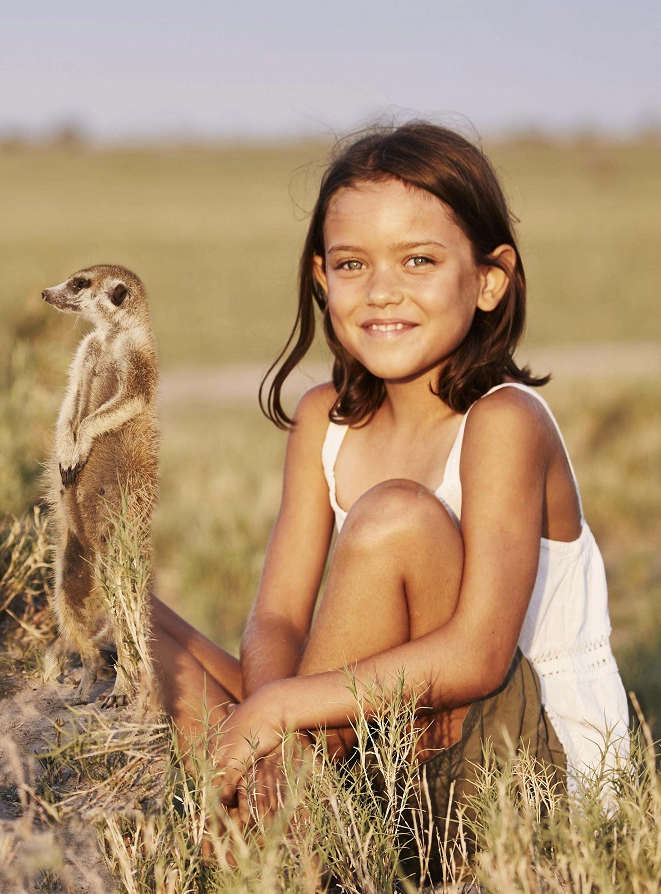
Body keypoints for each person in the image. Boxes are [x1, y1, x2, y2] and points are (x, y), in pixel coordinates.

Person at [149, 122, 631, 827]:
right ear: (322, 277)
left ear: (490, 280)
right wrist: (272, 717)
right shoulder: (325, 418)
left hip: (521, 773)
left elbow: (477, 657)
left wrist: (279, 708)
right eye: (352, 265)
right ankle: (267, 815)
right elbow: (278, 614)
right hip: (385, 740)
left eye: (418, 261)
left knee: (393, 519)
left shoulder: (505, 422)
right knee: (119, 605)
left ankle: (280, 824)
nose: (381, 292)